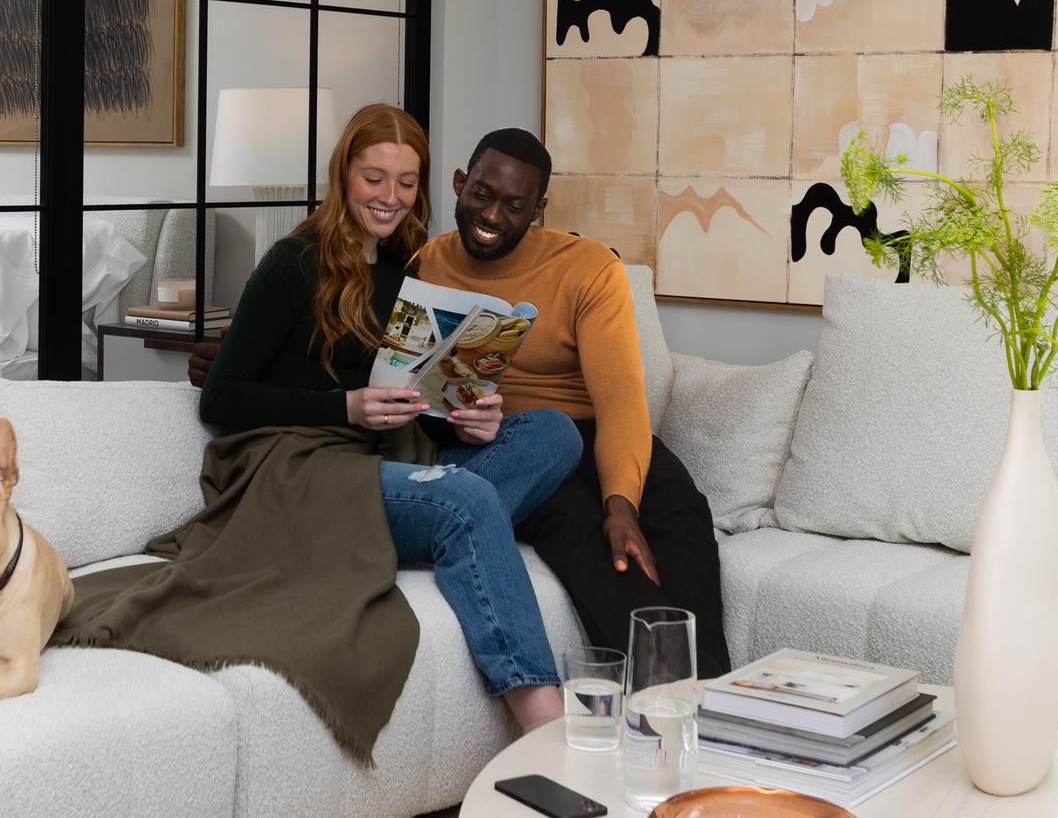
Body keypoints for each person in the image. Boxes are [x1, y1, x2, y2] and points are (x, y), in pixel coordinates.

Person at [196, 127, 730, 677]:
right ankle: (658, 683)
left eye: (515, 205)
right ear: (459, 184)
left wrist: (622, 503)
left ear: (538, 209)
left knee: (679, 513)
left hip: (588, 431)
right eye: (481, 194)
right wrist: (225, 358)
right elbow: (359, 351)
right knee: (583, 532)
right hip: (503, 440)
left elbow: (622, 403)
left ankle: (712, 692)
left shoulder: (588, 268)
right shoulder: (420, 263)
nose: (493, 215)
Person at [199, 104, 583, 730]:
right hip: (304, 472)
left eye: (406, 181)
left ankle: (420, 536)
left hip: (390, 460)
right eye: (374, 177)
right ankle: (543, 717)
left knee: (553, 433)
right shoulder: (292, 262)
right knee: (464, 499)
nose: (391, 196)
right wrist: (343, 407)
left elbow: (405, 395)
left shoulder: (406, 263)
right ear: (343, 173)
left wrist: (464, 418)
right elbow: (220, 397)